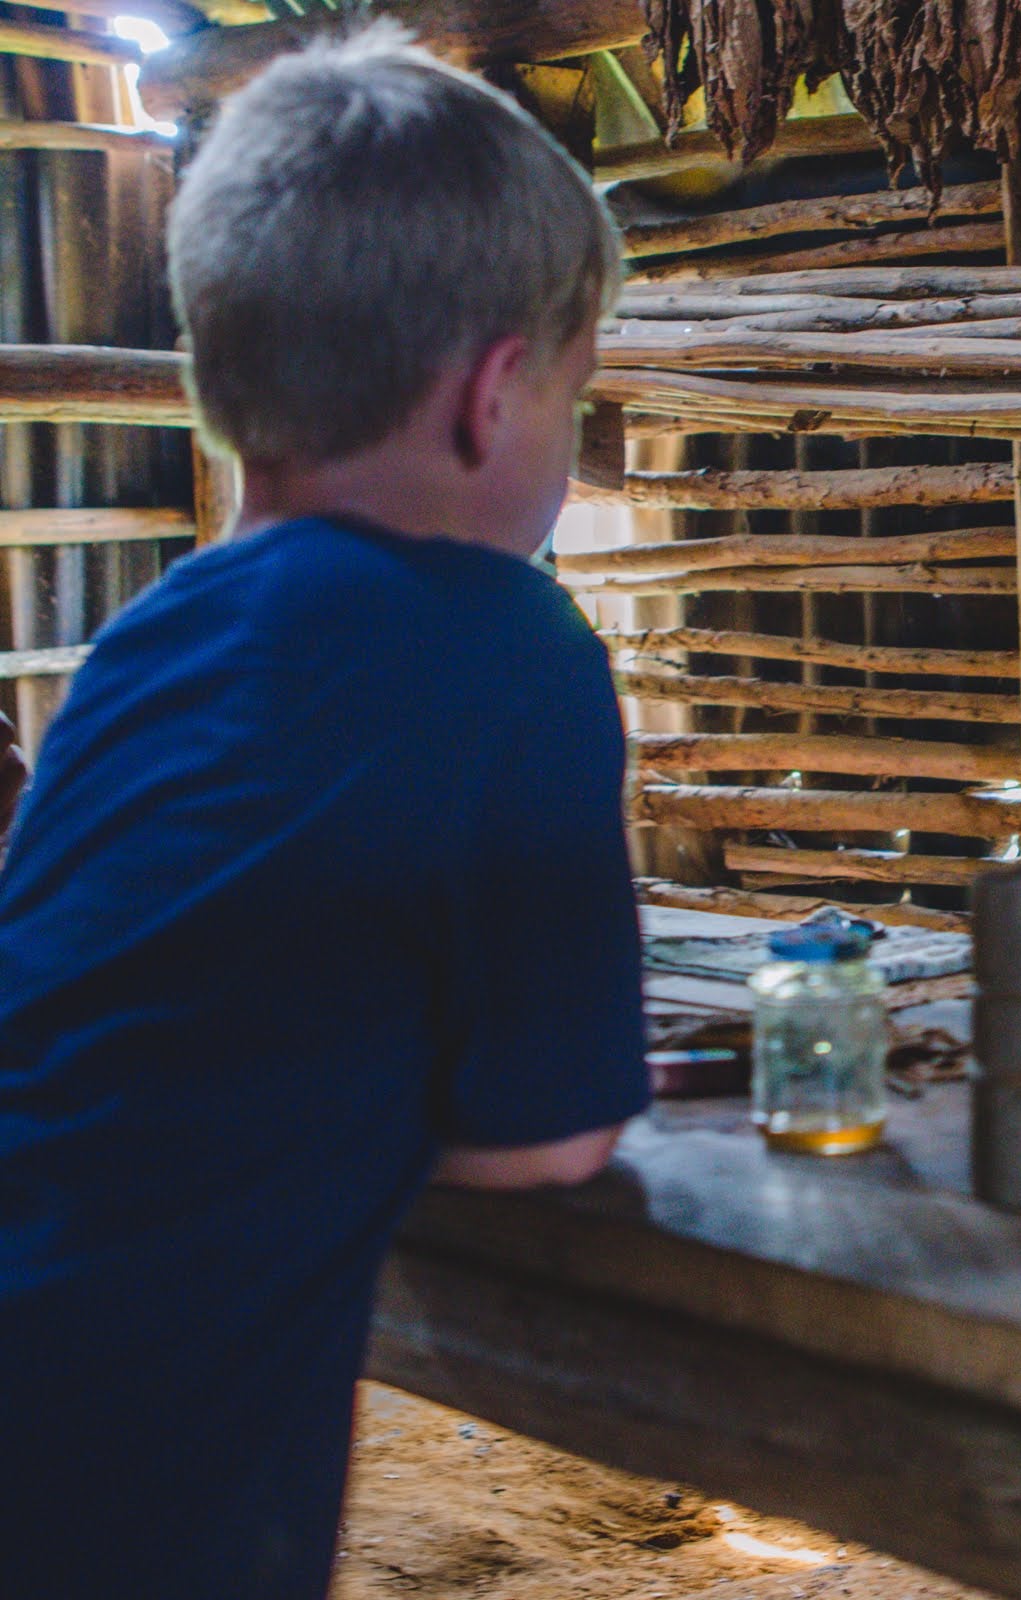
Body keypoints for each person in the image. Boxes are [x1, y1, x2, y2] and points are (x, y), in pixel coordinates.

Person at [0, 31, 648, 1599]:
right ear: (499, 398)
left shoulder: (151, 640)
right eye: (576, 399)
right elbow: (543, 1152)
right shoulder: (515, 649)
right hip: (117, 1499)